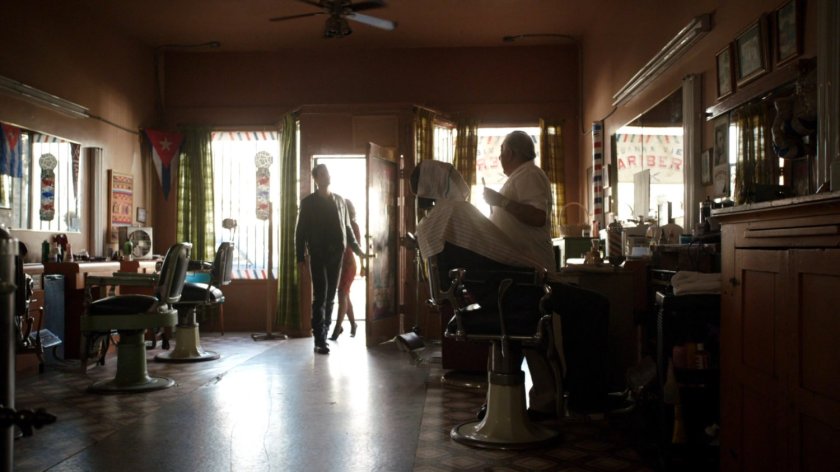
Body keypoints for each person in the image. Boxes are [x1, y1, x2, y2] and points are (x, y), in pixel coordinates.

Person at [411, 160, 567, 418]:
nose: (458, 177)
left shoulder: (432, 220)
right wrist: (536, 269)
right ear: (440, 180)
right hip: (497, 293)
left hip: (478, 298)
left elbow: (485, 255)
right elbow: (498, 254)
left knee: (529, 305)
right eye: (450, 173)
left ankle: (510, 402)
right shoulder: (457, 212)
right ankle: (550, 399)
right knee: (575, 306)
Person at [296, 164, 365, 354]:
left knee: (331, 296)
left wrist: (358, 250)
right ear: (316, 178)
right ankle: (319, 338)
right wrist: (300, 256)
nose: (327, 175)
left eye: (328, 172)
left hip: (337, 255)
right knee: (320, 295)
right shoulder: (308, 203)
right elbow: (300, 231)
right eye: (323, 173)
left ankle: (324, 335)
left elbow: (348, 228)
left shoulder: (340, 201)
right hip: (317, 254)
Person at [482, 130, 555, 271]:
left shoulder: (530, 174)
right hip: (522, 267)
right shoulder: (521, 175)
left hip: (531, 268)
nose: (499, 157)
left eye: (501, 150)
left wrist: (500, 201)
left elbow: (538, 217)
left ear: (509, 152)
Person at [330, 199, 363, 340]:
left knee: (342, 293)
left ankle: (337, 328)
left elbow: (358, 248)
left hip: (349, 264)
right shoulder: (335, 225)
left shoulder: (353, 226)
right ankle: (353, 324)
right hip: (338, 265)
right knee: (345, 295)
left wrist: (364, 266)